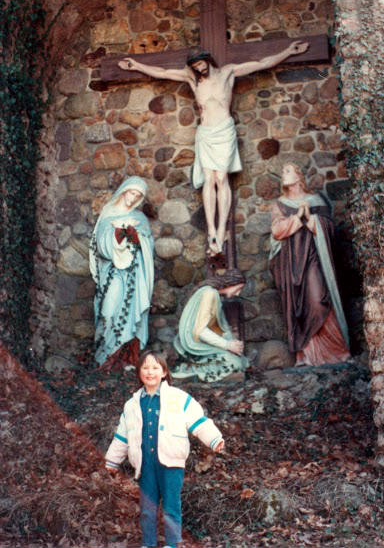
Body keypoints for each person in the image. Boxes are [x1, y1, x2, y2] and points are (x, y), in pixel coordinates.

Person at [118, 41, 308, 255]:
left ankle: (221, 228)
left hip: (224, 132)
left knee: (221, 178)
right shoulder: (192, 79)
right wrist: (137, 65)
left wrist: (288, 51)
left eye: (201, 64)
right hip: (206, 134)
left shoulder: (228, 73)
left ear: (208, 59)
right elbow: (162, 72)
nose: (199, 69)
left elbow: (261, 63)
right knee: (209, 179)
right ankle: (211, 231)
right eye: (195, 66)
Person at [105, 351, 224, 548]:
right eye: (145, 368)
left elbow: (198, 421)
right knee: (147, 509)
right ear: (139, 372)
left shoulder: (179, 398)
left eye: (155, 368)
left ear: (164, 372)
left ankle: (171, 543)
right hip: (145, 465)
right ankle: (148, 543)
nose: (150, 372)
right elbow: (122, 436)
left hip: (171, 463)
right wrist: (112, 462)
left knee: (170, 507)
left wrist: (214, 439)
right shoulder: (132, 405)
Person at [269, 162, 350, 366]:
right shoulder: (280, 204)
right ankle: (306, 354)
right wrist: (297, 217)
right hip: (292, 262)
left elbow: (330, 228)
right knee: (299, 306)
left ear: (299, 175)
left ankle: (336, 350)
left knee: (318, 299)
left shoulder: (315, 200)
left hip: (314, 258)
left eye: (287, 170)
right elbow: (277, 230)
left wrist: (311, 218)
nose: (283, 174)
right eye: (283, 171)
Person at [89, 177, 154, 369]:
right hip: (113, 274)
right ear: (124, 191)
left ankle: (126, 359)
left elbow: (148, 245)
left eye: (138, 196)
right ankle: (106, 355)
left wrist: (137, 237)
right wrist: (116, 238)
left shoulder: (140, 218)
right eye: (131, 193)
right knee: (108, 310)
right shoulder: (108, 214)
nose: (133, 198)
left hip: (134, 275)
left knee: (131, 313)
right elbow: (100, 245)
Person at [172, 269, 249, 382]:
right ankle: (191, 371)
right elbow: (200, 331)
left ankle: (195, 370)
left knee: (242, 361)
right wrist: (227, 345)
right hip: (194, 346)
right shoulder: (209, 294)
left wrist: (233, 344)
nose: (238, 293)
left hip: (203, 343)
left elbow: (216, 328)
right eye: (238, 288)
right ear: (231, 283)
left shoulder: (214, 294)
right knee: (235, 363)